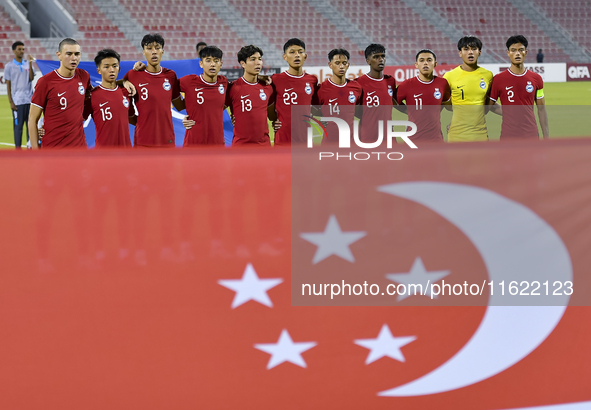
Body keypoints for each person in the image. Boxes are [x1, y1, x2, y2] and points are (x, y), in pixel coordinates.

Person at [124, 33, 185, 147]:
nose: (154, 52)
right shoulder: (133, 75)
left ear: (162, 51)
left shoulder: (170, 75)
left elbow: (179, 105)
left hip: (167, 139)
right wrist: (124, 81)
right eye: (149, 48)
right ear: (143, 52)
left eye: (157, 48)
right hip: (143, 140)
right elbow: (116, 89)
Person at [28, 38, 91, 148]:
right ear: (59, 55)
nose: (74, 58)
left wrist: (124, 82)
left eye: (77, 54)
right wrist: (35, 154)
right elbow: (32, 120)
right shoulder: (45, 82)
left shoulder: (84, 76)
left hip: (79, 148)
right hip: (53, 148)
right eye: (69, 54)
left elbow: (93, 95)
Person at [489, 35, 548, 140]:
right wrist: (509, 113)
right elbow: (489, 105)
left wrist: (546, 137)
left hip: (531, 135)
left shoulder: (536, 79)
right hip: (508, 136)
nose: (517, 53)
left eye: (521, 50)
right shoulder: (498, 79)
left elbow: (541, 109)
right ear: (508, 53)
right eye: (513, 50)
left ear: (526, 52)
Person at [443, 36, 494, 142]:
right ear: (460, 53)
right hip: (457, 135)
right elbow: (445, 105)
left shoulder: (488, 75)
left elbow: (489, 104)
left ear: (479, 52)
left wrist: (513, 114)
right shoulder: (449, 76)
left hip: (480, 135)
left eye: (474, 49)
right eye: (466, 49)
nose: (470, 52)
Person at [268, 38, 319, 145]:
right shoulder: (276, 79)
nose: (297, 55)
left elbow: (315, 106)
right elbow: (269, 105)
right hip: (283, 137)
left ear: (305, 56)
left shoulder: (312, 80)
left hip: (305, 138)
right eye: (292, 52)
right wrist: (274, 120)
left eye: (300, 52)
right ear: (285, 57)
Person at [395, 49, 451, 143]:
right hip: (412, 140)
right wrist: (408, 111)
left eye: (429, 60)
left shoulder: (442, 83)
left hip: (436, 139)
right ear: (416, 65)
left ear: (435, 64)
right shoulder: (407, 85)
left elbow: (447, 103)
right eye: (421, 60)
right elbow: (394, 101)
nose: (425, 63)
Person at [84, 49, 136, 147]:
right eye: (106, 67)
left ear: (119, 69)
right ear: (98, 70)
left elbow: (131, 117)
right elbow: (78, 120)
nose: (111, 70)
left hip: (126, 152)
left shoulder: (126, 92)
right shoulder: (92, 95)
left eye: (114, 66)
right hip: (103, 154)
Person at [225, 45, 274, 145]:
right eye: (253, 59)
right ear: (243, 64)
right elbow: (215, 111)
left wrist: (277, 122)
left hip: (264, 147)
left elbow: (272, 115)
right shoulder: (233, 88)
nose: (258, 62)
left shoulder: (268, 87)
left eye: (260, 59)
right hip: (241, 147)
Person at [180, 45, 228, 145]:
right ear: (201, 64)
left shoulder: (224, 82)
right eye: (208, 60)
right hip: (193, 143)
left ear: (221, 64)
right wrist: (184, 113)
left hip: (217, 142)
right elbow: (167, 88)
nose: (212, 64)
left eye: (216, 60)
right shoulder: (189, 81)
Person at [314, 48, 362, 144]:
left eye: (344, 63)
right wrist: (322, 118)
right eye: (337, 63)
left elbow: (357, 110)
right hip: (329, 144)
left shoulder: (356, 87)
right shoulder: (321, 89)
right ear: (330, 65)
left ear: (348, 65)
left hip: (350, 143)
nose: (341, 66)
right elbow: (310, 109)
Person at [356, 43, 397, 143]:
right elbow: (353, 110)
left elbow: (395, 101)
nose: (381, 59)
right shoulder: (358, 83)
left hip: (389, 137)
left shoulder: (390, 81)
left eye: (382, 56)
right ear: (368, 61)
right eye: (376, 57)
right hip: (367, 136)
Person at [5, 41, 34, 149]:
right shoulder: (9, 66)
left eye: (23, 49)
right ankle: (18, 151)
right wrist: (11, 102)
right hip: (18, 102)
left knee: (30, 126)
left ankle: (29, 147)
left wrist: (30, 64)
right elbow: (8, 85)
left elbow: (31, 78)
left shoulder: (27, 63)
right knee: (18, 127)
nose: (22, 51)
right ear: (14, 51)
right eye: (19, 49)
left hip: (29, 100)